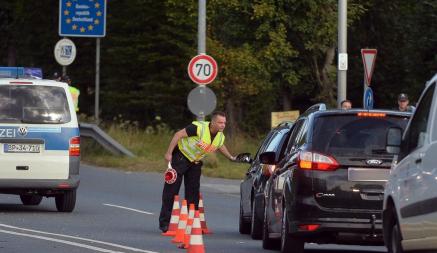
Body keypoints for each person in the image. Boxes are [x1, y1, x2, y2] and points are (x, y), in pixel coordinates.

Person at [159, 111, 236, 232]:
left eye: (224, 123)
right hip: (181, 157)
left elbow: (220, 145)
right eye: (220, 122)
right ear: (213, 122)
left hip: (195, 162)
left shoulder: (220, 136)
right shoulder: (198, 127)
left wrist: (231, 157)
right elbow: (178, 135)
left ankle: (191, 224)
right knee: (171, 190)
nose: (223, 125)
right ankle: (165, 223)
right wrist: (168, 153)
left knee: (193, 193)